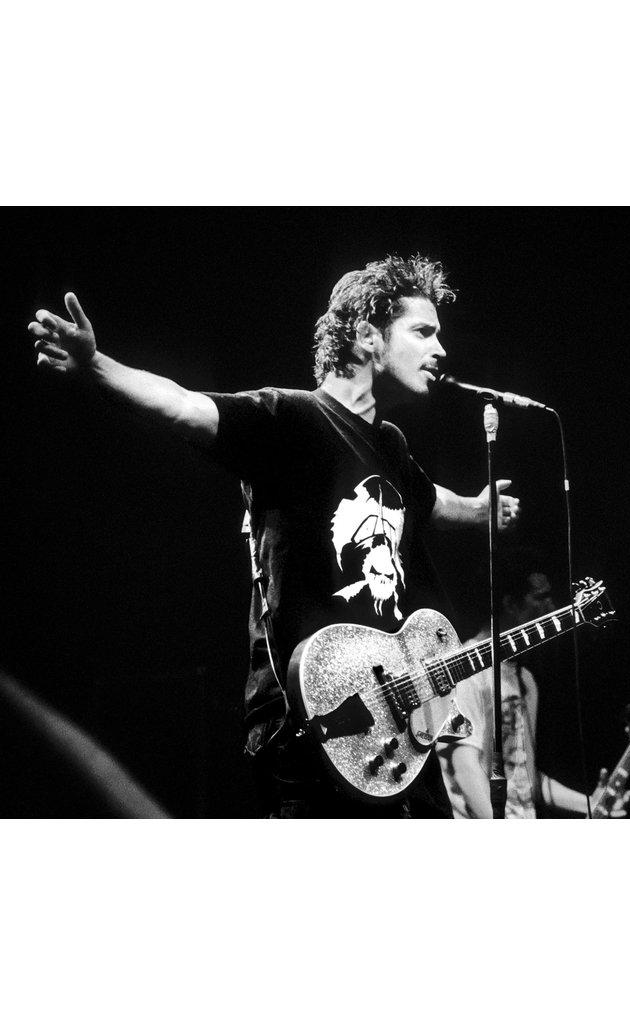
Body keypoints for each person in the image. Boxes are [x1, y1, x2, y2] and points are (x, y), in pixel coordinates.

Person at [28, 255, 521, 818]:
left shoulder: (391, 446)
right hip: (311, 717)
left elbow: (435, 503)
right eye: (423, 331)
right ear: (365, 336)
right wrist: (98, 367)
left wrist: (482, 510)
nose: (441, 349)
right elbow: (183, 406)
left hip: (397, 729)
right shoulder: (291, 418)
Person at [436, 562, 630, 818]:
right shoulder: (466, 670)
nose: (551, 607)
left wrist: (590, 803)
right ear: (510, 603)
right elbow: (465, 768)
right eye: (541, 597)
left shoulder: (525, 680)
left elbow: (526, 779)